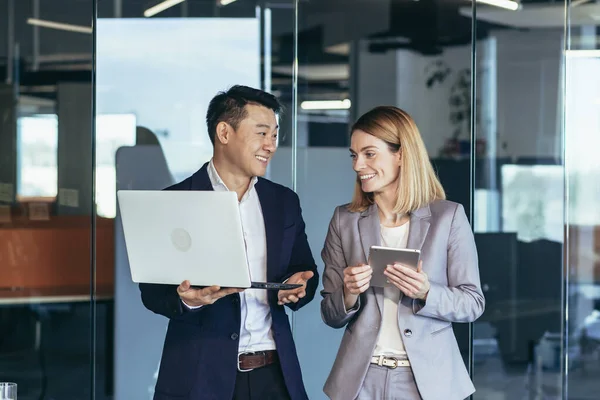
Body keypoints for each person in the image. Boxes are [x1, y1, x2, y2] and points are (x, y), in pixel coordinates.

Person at [139, 85, 319, 400]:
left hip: (274, 375)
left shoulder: (283, 202)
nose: (270, 146)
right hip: (200, 377)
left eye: (275, 136)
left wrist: (301, 285)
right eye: (261, 134)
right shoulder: (175, 201)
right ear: (224, 132)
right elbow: (152, 292)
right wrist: (191, 299)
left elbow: (304, 268)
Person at [320, 106, 485, 400]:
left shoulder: (448, 218)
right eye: (354, 155)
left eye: (370, 154)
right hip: (361, 382)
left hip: (427, 382)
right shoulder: (344, 220)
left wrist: (426, 291)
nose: (358, 166)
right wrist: (348, 293)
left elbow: (472, 303)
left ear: (401, 155)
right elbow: (330, 314)